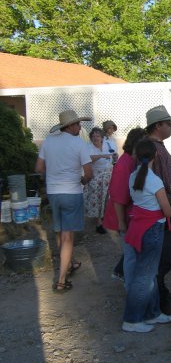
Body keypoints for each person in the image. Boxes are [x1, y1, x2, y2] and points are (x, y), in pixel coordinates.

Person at [35, 109, 93, 293]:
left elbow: (38, 168)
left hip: (53, 193)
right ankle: (61, 281)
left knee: (61, 232)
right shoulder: (79, 143)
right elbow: (89, 173)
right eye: (78, 124)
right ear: (70, 126)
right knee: (68, 236)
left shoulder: (49, 141)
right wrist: (82, 180)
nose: (80, 126)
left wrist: (53, 177)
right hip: (71, 192)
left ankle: (70, 263)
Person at [122, 139, 171, 333]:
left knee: (147, 274)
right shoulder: (154, 181)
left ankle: (152, 313)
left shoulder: (134, 176)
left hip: (138, 227)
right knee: (144, 277)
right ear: (156, 156)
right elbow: (167, 211)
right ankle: (132, 319)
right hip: (152, 229)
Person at [145, 105, 171, 318]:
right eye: (168, 123)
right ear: (158, 125)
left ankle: (162, 293)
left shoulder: (158, 146)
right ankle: (159, 302)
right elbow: (154, 183)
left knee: (165, 257)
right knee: (161, 258)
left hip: (168, 211)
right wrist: (168, 206)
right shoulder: (152, 149)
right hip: (164, 213)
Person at [103, 127, 146, 280]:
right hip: (123, 217)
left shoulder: (132, 160)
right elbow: (118, 197)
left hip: (129, 215)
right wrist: (121, 222)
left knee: (132, 252)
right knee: (131, 255)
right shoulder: (125, 163)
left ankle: (122, 274)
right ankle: (130, 287)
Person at [84, 127, 113, 234]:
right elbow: (87, 159)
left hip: (108, 175)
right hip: (96, 176)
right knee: (97, 199)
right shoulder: (88, 147)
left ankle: (105, 218)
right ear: (91, 138)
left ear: (102, 137)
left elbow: (113, 156)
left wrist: (115, 156)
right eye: (93, 136)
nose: (96, 138)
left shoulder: (108, 144)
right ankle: (98, 223)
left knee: (107, 199)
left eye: (98, 136)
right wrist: (101, 155)